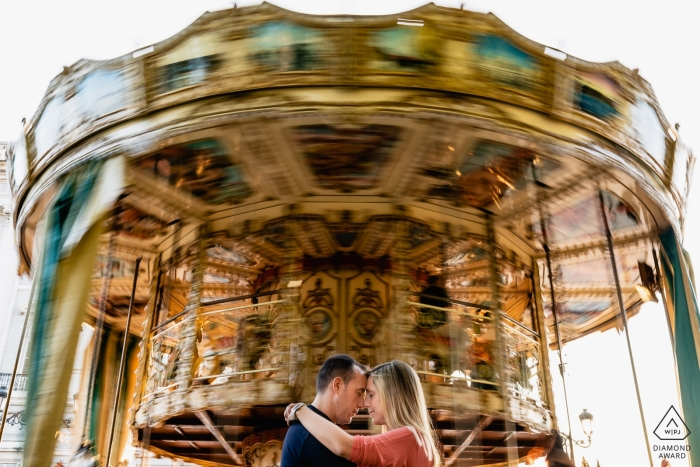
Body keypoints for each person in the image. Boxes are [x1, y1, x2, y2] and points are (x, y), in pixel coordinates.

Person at [285, 360, 442, 467]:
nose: (365, 404)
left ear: (392, 396)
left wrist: (300, 410)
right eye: (361, 394)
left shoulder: (408, 437)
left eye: (371, 395)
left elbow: (345, 446)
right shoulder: (418, 439)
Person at [281, 354, 368, 467]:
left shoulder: (310, 427)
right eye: (359, 393)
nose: (362, 404)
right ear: (337, 385)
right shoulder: (310, 436)